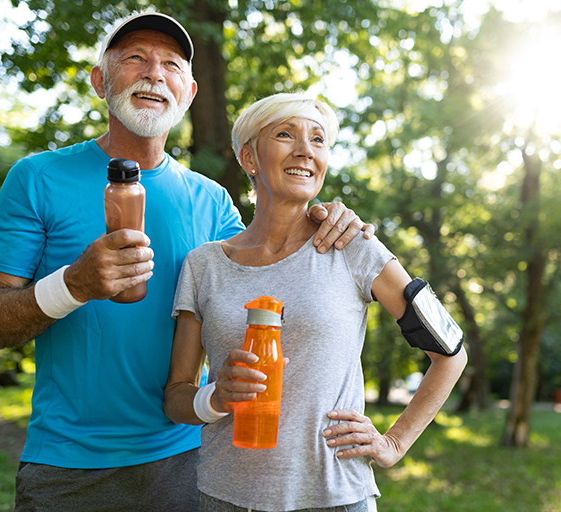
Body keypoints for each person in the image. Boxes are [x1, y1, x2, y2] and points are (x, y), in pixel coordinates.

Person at [0, 13, 371, 512]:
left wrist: (321, 217)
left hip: (188, 462)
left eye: (172, 65)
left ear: (190, 91)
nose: (155, 73)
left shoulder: (214, 201)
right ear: (100, 80)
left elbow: (275, 284)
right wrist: (73, 284)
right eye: (135, 58)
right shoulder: (37, 178)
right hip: (67, 468)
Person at [163, 93, 468, 512]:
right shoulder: (204, 266)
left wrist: (394, 442)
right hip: (225, 496)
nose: (305, 150)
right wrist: (216, 397)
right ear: (249, 157)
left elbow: (450, 353)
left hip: (335, 496)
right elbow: (177, 397)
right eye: (286, 134)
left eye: (319, 140)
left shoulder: (354, 246)